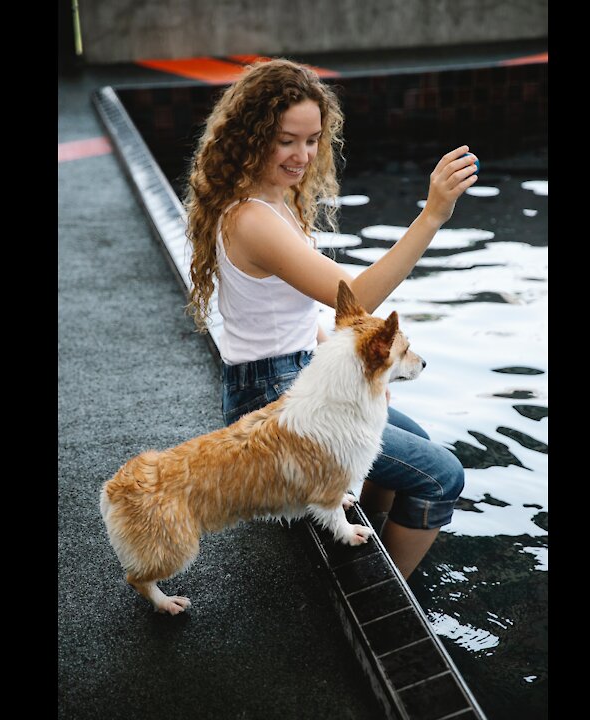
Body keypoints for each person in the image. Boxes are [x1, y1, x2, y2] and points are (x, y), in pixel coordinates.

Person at [182, 58, 475, 579]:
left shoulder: (277, 201)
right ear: (252, 136)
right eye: (286, 141)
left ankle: (369, 542)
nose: (303, 156)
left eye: (313, 139)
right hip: (272, 395)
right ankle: (387, 586)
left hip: (294, 375)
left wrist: (361, 376)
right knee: (442, 475)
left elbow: (289, 319)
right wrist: (432, 215)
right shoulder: (252, 219)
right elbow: (356, 297)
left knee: (417, 440)